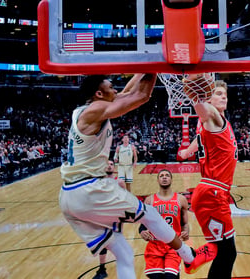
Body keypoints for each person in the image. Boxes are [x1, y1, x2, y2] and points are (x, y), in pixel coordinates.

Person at [59, 74, 208, 279]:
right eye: (111, 87)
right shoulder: (96, 110)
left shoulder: (83, 110)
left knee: (124, 252)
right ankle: (188, 256)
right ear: (99, 93)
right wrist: (155, 65)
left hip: (69, 196)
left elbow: (128, 93)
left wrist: (141, 70)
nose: (116, 90)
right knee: (151, 214)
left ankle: (186, 256)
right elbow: (141, 95)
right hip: (88, 189)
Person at [180, 77, 237, 279]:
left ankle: (193, 259)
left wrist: (187, 151)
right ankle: (190, 256)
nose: (223, 97)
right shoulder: (214, 117)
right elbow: (206, 112)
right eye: (218, 94)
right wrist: (196, 97)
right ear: (210, 100)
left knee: (219, 248)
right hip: (213, 192)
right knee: (228, 253)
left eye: (225, 95)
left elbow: (199, 137)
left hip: (210, 191)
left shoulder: (207, 126)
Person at [139, 169, 190, 279]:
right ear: (158, 180)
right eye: (161, 175)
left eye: (167, 175)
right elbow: (142, 225)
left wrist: (186, 232)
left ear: (171, 179)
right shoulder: (149, 200)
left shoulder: (181, 199)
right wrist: (142, 232)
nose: (164, 177)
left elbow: (185, 223)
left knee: (171, 277)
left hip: (173, 245)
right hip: (155, 246)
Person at [93, 159, 125, 279]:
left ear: (114, 167)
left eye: (112, 164)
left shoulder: (120, 182)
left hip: (115, 216)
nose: (110, 166)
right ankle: (102, 269)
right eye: (108, 164)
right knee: (102, 242)